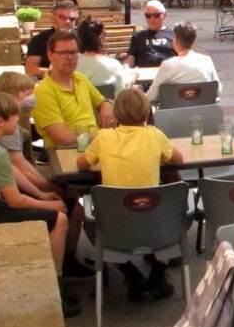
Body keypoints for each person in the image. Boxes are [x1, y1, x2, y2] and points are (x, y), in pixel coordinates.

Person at [0, 92, 80, 317]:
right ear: (0, 121)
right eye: (14, 116)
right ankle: (54, 288)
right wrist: (52, 207)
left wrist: (41, 194)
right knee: (60, 220)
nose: (18, 120)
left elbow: (10, 172)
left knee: (58, 207)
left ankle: (63, 269)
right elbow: (15, 200)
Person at [77, 88, 183, 302]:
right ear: (147, 114)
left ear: (115, 115)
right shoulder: (154, 135)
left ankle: (130, 274)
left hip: (115, 231)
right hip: (157, 228)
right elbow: (178, 161)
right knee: (180, 214)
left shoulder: (104, 137)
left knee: (91, 221)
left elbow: (81, 164)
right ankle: (157, 276)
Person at [0, 71, 89, 273]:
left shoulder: (7, 129)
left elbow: (20, 170)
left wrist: (48, 189)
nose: (31, 99)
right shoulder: (7, 132)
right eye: (26, 94)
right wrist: (50, 189)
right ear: (11, 97)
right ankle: (64, 267)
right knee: (72, 204)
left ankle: (67, 261)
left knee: (69, 198)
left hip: (5, 194)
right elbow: (22, 171)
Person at [31, 30, 115, 148]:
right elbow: (62, 138)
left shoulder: (80, 79)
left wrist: (106, 105)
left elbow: (101, 101)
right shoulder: (44, 91)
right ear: (50, 55)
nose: (70, 58)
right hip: (67, 152)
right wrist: (100, 136)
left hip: (93, 147)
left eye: (74, 52)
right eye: (64, 53)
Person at [146, 21, 220, 103]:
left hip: (174, 114)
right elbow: (218, 90)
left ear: (176, 41)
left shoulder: (168, 65)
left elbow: (151, 96)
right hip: (201, 113)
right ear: (193, 40)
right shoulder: (206, 60)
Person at [76, 18, 133, 96]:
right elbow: (122, 92)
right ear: (101, 38)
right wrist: (133, 78)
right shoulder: (113, 65)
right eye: (104, 35)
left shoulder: (72, 65)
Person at [24, 0, 80, 77]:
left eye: (72, 19)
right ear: (53, 18)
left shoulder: (83, 37)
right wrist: (56, 74)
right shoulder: (40, 39)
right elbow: (30, 69)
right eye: (62, 18)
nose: (67, 21)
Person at [124, 0, 175, 68]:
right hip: (145, 75)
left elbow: (182, 57)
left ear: (164, 15)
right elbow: (130, 58)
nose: (152, 19)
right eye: (148, 15)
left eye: (156, 15)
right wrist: (125, 68)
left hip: (168, 75)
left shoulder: (174, 35)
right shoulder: (138, 36)